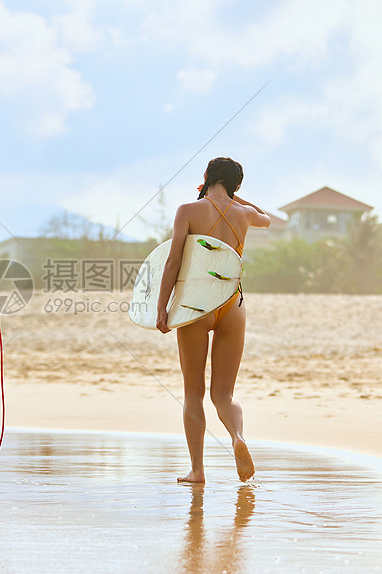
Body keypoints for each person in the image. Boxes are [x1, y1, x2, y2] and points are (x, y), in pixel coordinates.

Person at [156, 157, 271, 483]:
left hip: (197, 304)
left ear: (206, 177)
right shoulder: (244, 214)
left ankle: (197, 470)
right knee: (224, 395)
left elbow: (173, 261)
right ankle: (237, 437)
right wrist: (237, 199)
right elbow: (267, 219)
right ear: (236, 186)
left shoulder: (188, 211)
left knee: (193, 390)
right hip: (232, 304)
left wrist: (162, 307)